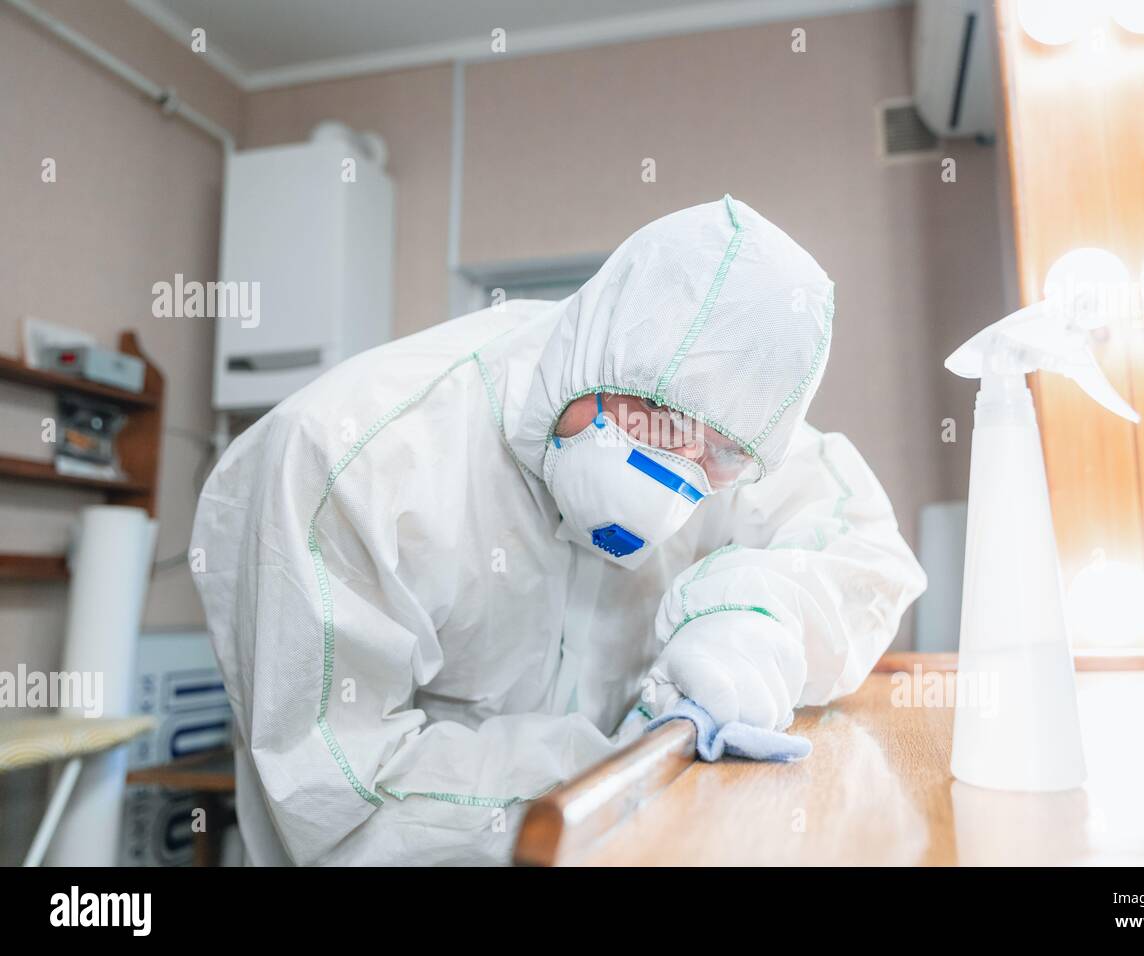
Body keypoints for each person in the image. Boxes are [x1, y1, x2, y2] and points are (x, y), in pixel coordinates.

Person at [190, 195, 926, 865]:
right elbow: (343, 797)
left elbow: (858, 543)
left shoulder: (732, 425)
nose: (677, 477)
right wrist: (613, 762)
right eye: (658, 424)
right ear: (596, 350)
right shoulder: (348, 463)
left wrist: (761, 615)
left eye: (721, 454)